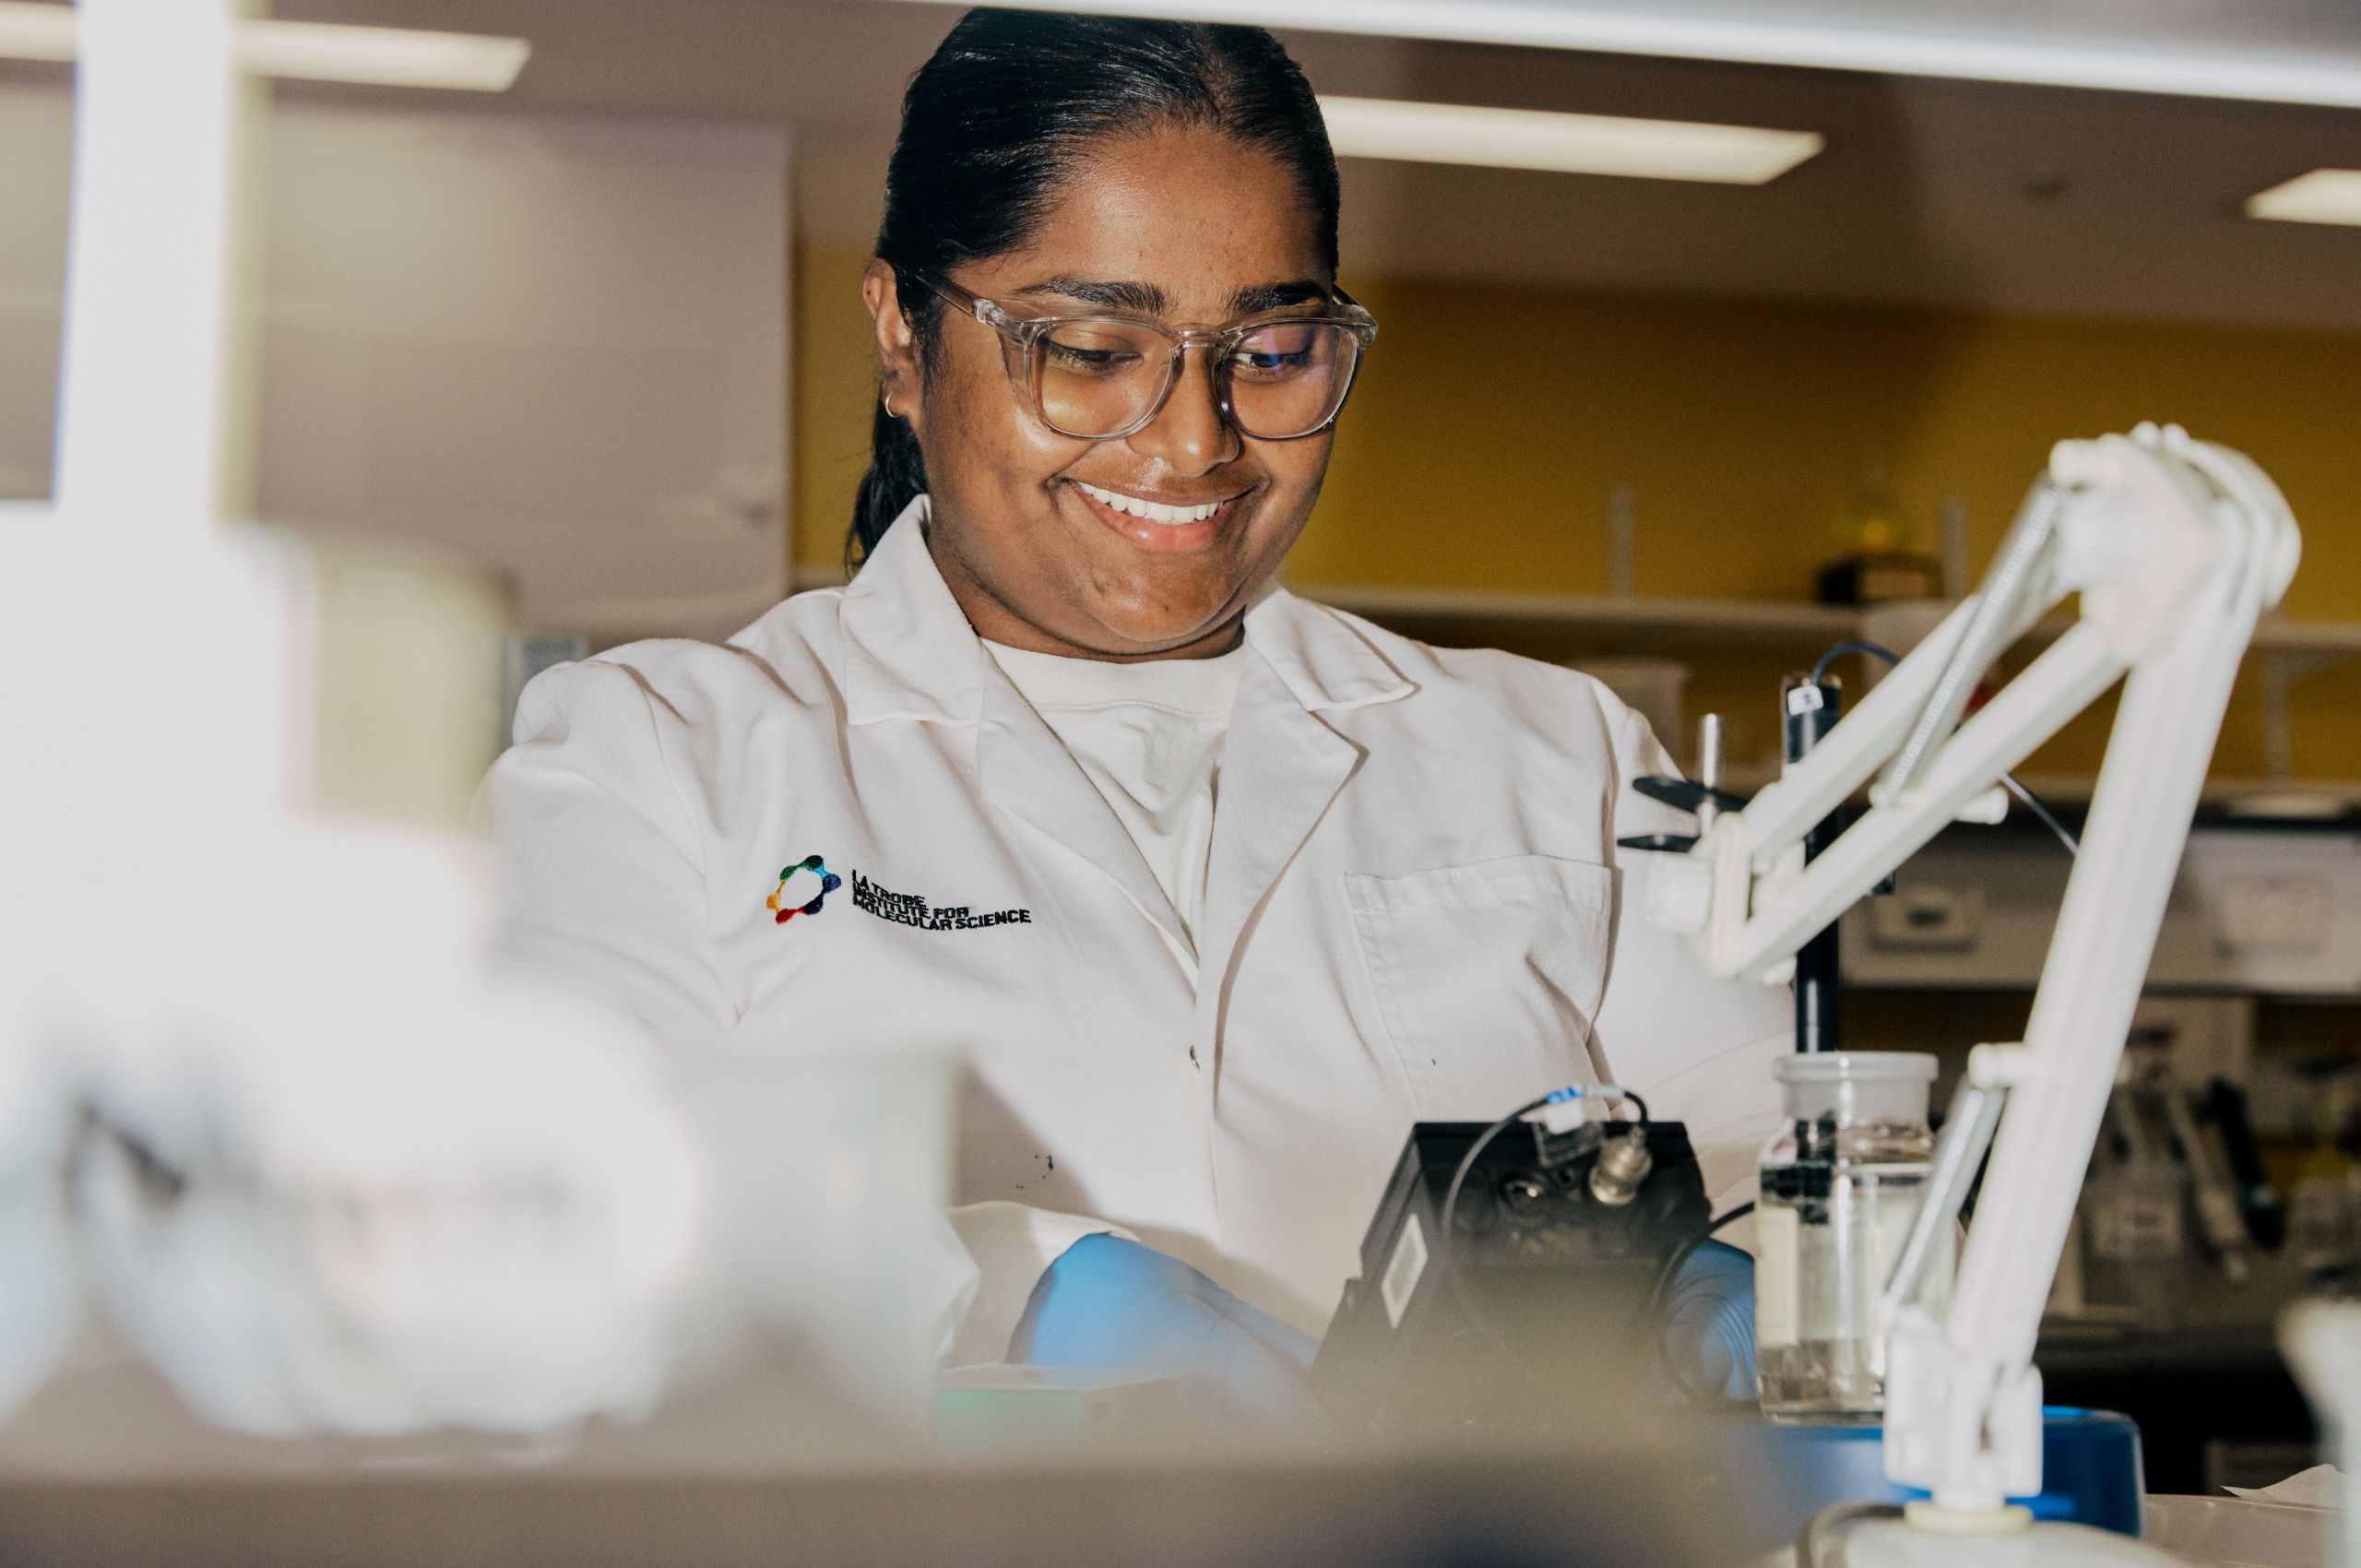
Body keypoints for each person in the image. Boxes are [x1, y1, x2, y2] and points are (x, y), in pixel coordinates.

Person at [489, 8, 1785, 1415]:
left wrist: (1741, 1262)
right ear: (904, 338)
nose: (1193, 440)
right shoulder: (655, 762)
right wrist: (1018, 1288)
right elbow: (557, 1218)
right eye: (1096, 346)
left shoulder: (1568, 761)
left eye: (1269, 350)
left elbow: (1780, 1165)